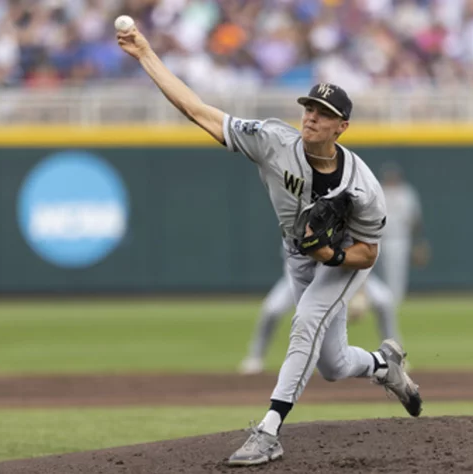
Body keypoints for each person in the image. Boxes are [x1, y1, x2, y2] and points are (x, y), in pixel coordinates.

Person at [116, 26, 422, 467]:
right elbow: (197, 110)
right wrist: (145, 53)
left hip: (341, 261)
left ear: (342, 126)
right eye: (310, 107)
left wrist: (332, 256)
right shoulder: (273, 141)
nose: (312, 116)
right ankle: (383, 366)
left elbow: (368, 254)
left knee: (305, 323)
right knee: (332, 366)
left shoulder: (364, 188)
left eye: (324, 112)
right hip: (297, 254)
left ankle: (268, 431)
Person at [239, 265, 399, 375]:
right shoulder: (293, 224)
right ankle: (256, 357)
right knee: (272, 310)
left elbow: (363, 257)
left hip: (344, 275)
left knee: (384, 301)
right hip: (300, 279)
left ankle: (394, 355)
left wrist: (360, 291)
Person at [375, 162, 431, 305]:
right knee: (378, 271)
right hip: (378, 237)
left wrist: (418, 241)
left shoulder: (407, 192)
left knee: (397, 271)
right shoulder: (379, 190)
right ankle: (382, 298)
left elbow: (415, 218)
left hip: (400, 238)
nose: (391, 178)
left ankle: (394, 300)